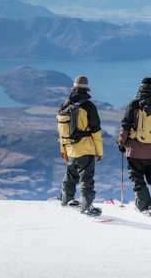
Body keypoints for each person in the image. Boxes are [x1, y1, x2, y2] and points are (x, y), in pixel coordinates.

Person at [118, 77, 151, 215]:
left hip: (135, 151)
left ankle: (145, 207)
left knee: (137, 179)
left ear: (140, 87)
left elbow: (125, 126)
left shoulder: (134, 104)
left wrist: (122, 143)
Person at [57, 75, 103, 216]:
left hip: (69, 147)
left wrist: (63, 149)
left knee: (71, 174)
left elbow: (61, 130)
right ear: (87, 88)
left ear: (74, 87)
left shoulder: (65, 104)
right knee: (86, 178)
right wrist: (99, 152)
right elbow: (96, 131)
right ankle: (87, 207)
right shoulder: (89, 106)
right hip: (85, 148)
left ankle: (66, 199)